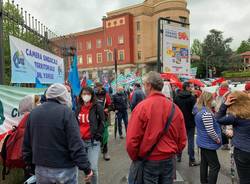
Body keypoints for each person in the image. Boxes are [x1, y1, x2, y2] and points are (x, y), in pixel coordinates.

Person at [22, 83, 93, 184]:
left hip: (41, 169)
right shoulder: (67, 113)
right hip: (64, 169)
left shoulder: (34, 113)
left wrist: (30, 165)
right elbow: (76, 144)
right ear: (63, 96)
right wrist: (86, 168)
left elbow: (26, 144)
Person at [127, 71, 187, 184]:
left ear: (149, 85)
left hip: (149, 161)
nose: (144, 87)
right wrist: (174, 151)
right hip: (169, 160)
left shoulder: (142, 108)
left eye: (144, 84)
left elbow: (131, 141)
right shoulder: (175, 108)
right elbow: (182, 139)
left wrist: (136, 157)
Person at [216, 91, 250, 184]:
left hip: (242, 150)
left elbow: (218, 119)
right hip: (243, 148)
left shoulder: (236, 116)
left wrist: (225, 105)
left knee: (244, 178)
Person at [76, 87, 105, 184]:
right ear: (81, 95)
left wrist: (98, 134)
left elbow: (102, 122)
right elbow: (75, 122)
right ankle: (88, 181)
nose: (86, 96)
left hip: (93, 142)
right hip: (80, 142)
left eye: (88, 94)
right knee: (85, 167)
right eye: (84, 94)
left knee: (93, 167)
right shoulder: (78, 107)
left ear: (92, 95)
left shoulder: (97, 106)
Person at [194, 91, 221, 184]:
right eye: (212, 99)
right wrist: (217, 139)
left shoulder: (199, 111)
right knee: (215, 166)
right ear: (208, 100)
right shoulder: (206, 113)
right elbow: (210, 130)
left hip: (202, 142)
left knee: (204, 164)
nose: (213, 101)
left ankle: (204, 181)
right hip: (208, 143)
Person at [174, 81, 199, 166]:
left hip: (179, 122)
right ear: (187, 87)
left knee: (179, 139)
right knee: (191, 140)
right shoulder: (192, 98)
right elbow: (195, 111)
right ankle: (191, 159)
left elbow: (174, 110)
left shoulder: (177, 97)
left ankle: (178, 156)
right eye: (190, 87)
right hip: (190, 122)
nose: (192, 88)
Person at [95, 82, 112, 161]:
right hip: (94, 119)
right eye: (96, 87)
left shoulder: (106, 95)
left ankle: (105, 152)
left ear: (101, 87)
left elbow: (111, 105)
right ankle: (93, 153)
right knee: (95, 135)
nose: (98, 88)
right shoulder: (93, 95)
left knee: (104, 135)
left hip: (103, 118)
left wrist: (107, 109)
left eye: (99, 86)